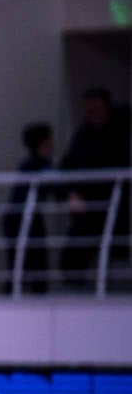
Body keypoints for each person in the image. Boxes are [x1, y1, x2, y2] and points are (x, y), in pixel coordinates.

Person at [58, 86, 131, 285]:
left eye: (95, 110)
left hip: (121, 205)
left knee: (117, 247)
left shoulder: (124, 128)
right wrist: (71, 193)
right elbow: (67, 167)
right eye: (88, 111)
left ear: (107, 107)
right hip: (89, 206)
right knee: (72, 259)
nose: (91, 115)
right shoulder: (84, 133)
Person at [1, 122, 53, 294]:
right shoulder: (36, 165)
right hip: (21, 219)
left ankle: (28, 296)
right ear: (43, 142)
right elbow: (58, 185)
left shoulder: (33, 165)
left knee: (26, 265)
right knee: (24, 265)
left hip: (22, 218)